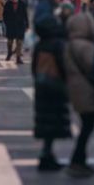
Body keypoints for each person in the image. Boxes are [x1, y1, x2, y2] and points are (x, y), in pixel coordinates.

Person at [31, 15, 71, 172]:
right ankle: (46, 155)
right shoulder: (57, 45)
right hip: (55, 87)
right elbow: (64, 66)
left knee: (46, 123)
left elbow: (34, 68)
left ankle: (47, 154)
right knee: (53, 123)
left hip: (42, 87)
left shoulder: (40, 45)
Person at [63, 11, 94, 179]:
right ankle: (77, 160)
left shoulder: (71, 43)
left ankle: (80, 160)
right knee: (87, 128)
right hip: (87, 91)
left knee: (86, 127)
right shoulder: (84, 45)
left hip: (77, 90)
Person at [3, 0, 28, 64]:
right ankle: (9, 52)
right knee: (9, 41)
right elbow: (4, 15)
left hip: (20, 26)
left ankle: (18, 57)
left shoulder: (22, 4)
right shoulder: (8, 4)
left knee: (19, 42)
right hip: (11, 25)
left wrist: (27, 25)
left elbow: (25, 15)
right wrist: (7, 23)